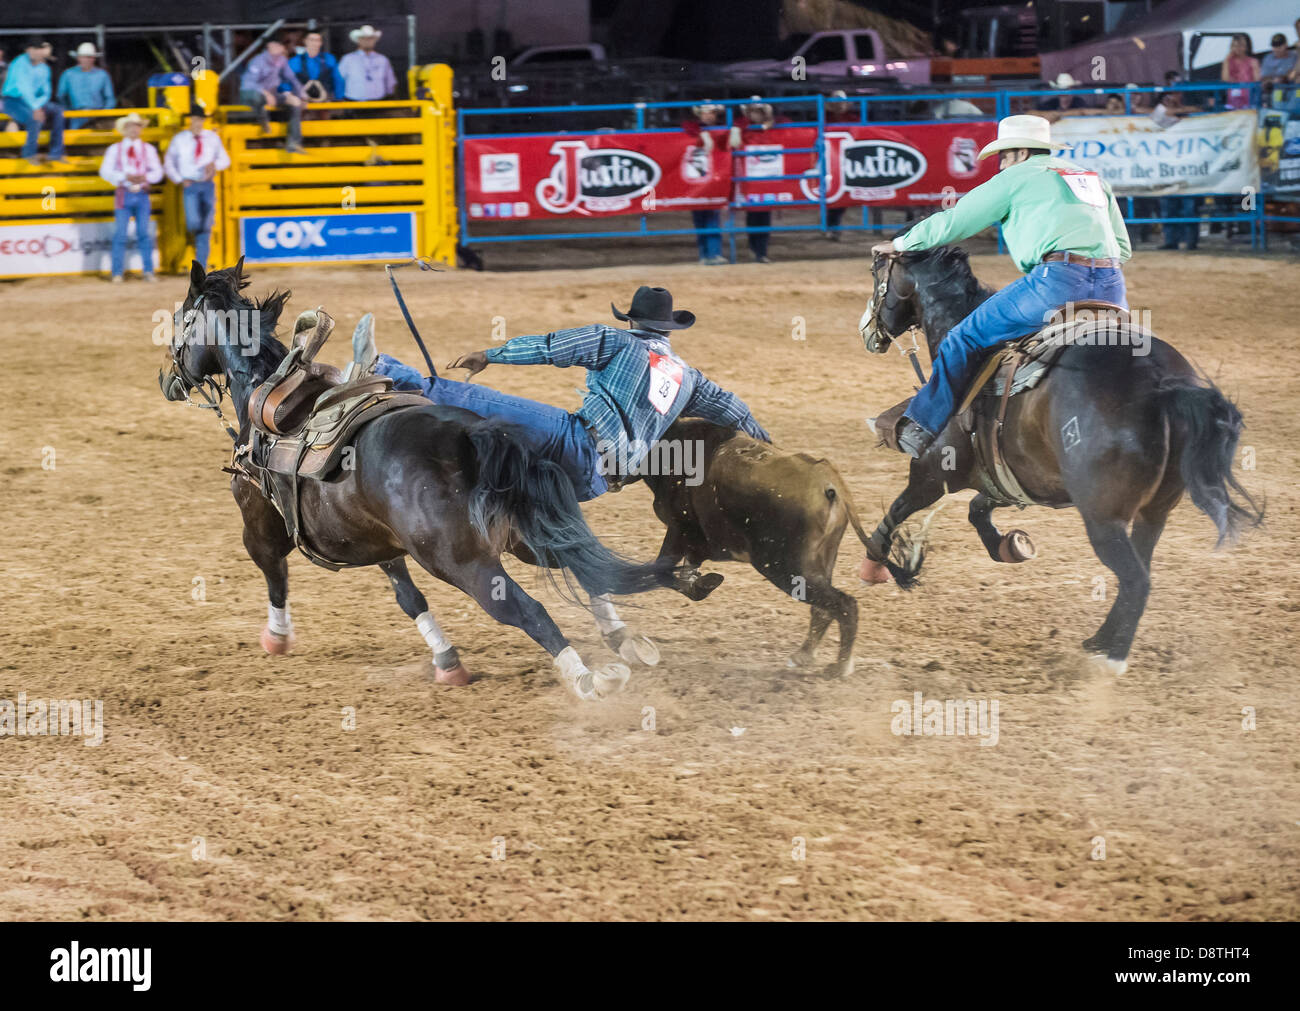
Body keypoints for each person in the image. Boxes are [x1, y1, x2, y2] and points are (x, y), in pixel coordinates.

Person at [869, 114, 1131, 458]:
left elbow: (957, 220)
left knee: (964, 337)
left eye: (1004, 157)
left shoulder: (1016, 177)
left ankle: (922, 427)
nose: (1001, 165)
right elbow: (1122, 249)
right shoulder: (1087, 176)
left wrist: (903, 243)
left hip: (1056, 283)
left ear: (1021, 153)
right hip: (1113, 286)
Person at [364, 286, 771, 501]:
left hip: (578, 443)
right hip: (600, 483)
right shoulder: (689, 378)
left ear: (633, 321)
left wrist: (490, 354)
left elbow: (550, 347)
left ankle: (383, 370)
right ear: (668, 330)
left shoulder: (617, 342)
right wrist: (770, 450)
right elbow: (736, 410)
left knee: (476, 401)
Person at [164, 103, 230, 271]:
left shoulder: (212, 138)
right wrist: (180, 179)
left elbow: (225, 160)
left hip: (206, 184)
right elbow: (169, 162)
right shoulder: (180, 139)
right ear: (190, 120)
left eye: (200, 119)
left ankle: (201, 264)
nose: (197, 122)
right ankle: (197, 251)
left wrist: (214, 165)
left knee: (204, 227)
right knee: (194, 222)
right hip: (191, 183)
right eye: (195, 119)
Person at [99, 112, 163, 283]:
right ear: (125, 129)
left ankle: (146, 271)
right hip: (125, 193)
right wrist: (124, 177)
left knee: (143, 233)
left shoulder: (147, 149)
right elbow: (105, 171)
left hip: (140, 194)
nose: (134, 129)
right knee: (121, 234)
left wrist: (144, 178)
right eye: (131, 126)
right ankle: (118, 272)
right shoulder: (116, 149)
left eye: (137, 126)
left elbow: (157, 171)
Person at [729, 98, 784, 263]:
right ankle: (755, 249)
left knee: (764, 215)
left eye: (759, 111)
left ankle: (761, 251)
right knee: (753, 215)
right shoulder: (744, 127)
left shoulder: (770, 126)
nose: (756, 114)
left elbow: (785, 122)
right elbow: (738, 125)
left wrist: (771, 122)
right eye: (753, 111)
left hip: (766, 178)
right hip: (751, 178)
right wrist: (761, 126)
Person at [1, 39, 66, 166]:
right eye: (33, 48)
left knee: (58, 111)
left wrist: (38, 105)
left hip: (33, 100)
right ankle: (29, 154)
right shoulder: (19, 63)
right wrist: (36, 108)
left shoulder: (44, 68)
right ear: (28, 50)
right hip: (13, 100)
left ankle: (56, 154)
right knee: (34, 118)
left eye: (38, 49)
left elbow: (46, 92)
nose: (35, 51)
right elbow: (23, 87)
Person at [239, 39, 306, 152]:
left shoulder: (282, 60)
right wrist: (265, 93)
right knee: (257, 97)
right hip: (253, 94)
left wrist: (301, 95)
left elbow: (291, 78)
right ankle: (262, 118)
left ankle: (293, 142)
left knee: (294, 103)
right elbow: (248, 83)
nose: (280, 48)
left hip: (271, 94)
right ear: (269, 46)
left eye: (281, 45)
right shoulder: (258, 61)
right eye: (277, 45)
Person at [682, 103, 725, 264]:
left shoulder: (721, 129)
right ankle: (705, 255)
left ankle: (713, 254)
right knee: (700, 218)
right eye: (704, 113)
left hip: (714, 178)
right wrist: (702, 133)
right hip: (697, 180)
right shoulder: (694, 128)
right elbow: (687, 125)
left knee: (712, 216)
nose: (707, 116)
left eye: (711, 113)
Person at [57, 42, 114, 128]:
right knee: (75, 140)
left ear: (94, 58)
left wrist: (103, 114)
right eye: (83, 57)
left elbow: (110, 98)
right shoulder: (68, 74)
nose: (86, 60)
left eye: (89, 57)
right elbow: (61, 96)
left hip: (97, 116)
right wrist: (69, 111)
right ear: (78, 58)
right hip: (76, 115)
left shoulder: (102, 75)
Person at [338, 25, 396, 101]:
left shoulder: (383, 59)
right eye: (364, 38)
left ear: (375, 40)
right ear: (358, 40)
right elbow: (339, 80)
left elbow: (390, 82)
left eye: (371, 38)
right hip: (354, 103)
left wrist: (391, 97)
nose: (367, 41)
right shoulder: (348, 59)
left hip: (379, 103)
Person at [287, 30, 345, 102]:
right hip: (303, 101)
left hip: (325, 100)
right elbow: (288, 80)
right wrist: (289, 96)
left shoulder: (329, 58)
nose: (315, 43)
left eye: (318, 40)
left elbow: (337, 79)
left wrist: (339, 98)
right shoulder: (295, 61)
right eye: (311, 40)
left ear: (321, 43)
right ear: (305, 41)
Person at [1222, 33, 1260, 110]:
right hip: (1233, 100)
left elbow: (1257, 80)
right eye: (1235, 46)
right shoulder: (1229, 61)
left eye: (1241, 45)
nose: (1238, 48)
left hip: (1249, 100)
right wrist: (1226, 61)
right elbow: (1225, 79)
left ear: (1246, 47)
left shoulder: (1253, 61)